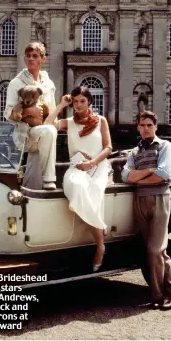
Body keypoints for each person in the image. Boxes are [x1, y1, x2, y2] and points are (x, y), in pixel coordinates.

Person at [44, 86, 112, 271]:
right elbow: (48, 124)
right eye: (75, 101)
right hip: (76, 166)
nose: (79, 105)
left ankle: (99, 246)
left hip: (97, 166)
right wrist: (61, 105)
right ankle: (101, 233)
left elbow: (108, 148)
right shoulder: (69, 122)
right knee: (76, 186)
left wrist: (92, 164)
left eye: (83, 101)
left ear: (89, 102)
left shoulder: (101, 121)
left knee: (94, 191)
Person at [121, 111, 171, 311]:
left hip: (159, 198)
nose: (146, 128)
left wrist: (139, 178)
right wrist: (149, 171)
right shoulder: (134, 152)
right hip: (140, 200)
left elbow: (163, 174)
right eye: (142, 125)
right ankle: (160, 295)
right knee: (153, 251)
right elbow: (125, 176)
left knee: (157, 249)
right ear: (138, 127)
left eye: (149, 125)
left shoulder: (165, 146)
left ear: (155, 126)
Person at [4, 42, 57, 191]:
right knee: (49, 132)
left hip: (43, 133)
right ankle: (49, 179)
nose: (31, 59)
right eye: (28, 56)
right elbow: (7, 113)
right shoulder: (16, 83)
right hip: (24, 135)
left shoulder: (49, 84)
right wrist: (28, 112)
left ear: (43, 59)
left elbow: (52, 113)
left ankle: (32, 194)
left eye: (35, 56)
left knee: (33, 182)